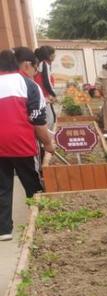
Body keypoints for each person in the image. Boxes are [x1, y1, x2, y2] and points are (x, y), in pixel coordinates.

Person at [0, 49, 54, 241]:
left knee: (2, 187)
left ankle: (4, 229)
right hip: (22, 143)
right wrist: (48, 143)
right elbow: (38, 121)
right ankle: (41, 219)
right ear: (18, 64)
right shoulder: (28, 85)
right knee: (31, 182)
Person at [34, 45, 57, 129]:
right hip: (44, 96)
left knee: (50, 118)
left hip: (44, 96)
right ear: (49, 55)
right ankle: (46, 140)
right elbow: (47, 82)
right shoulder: (44, 64)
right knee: (49, 120)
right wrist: (54, 94)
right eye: (54, 54)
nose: (55, 56)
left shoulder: (43, 64)